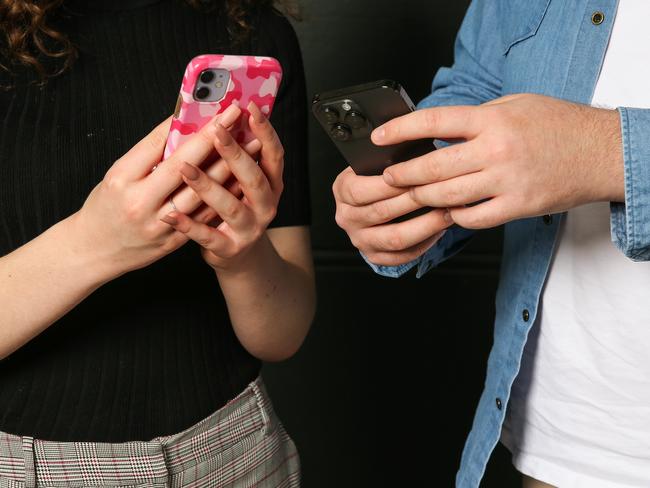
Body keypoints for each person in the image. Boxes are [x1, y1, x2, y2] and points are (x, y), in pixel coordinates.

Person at [333, 0, 650, 486]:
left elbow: (578, 146)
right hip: (560, 444)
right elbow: (478, 86)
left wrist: (606, 152)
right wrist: (409, 188)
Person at [0, 0, 315, 486]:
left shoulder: (249, 31)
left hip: (235, 450)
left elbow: (283, 334)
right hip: (25, 467)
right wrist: (95, 243)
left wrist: (242, 256)